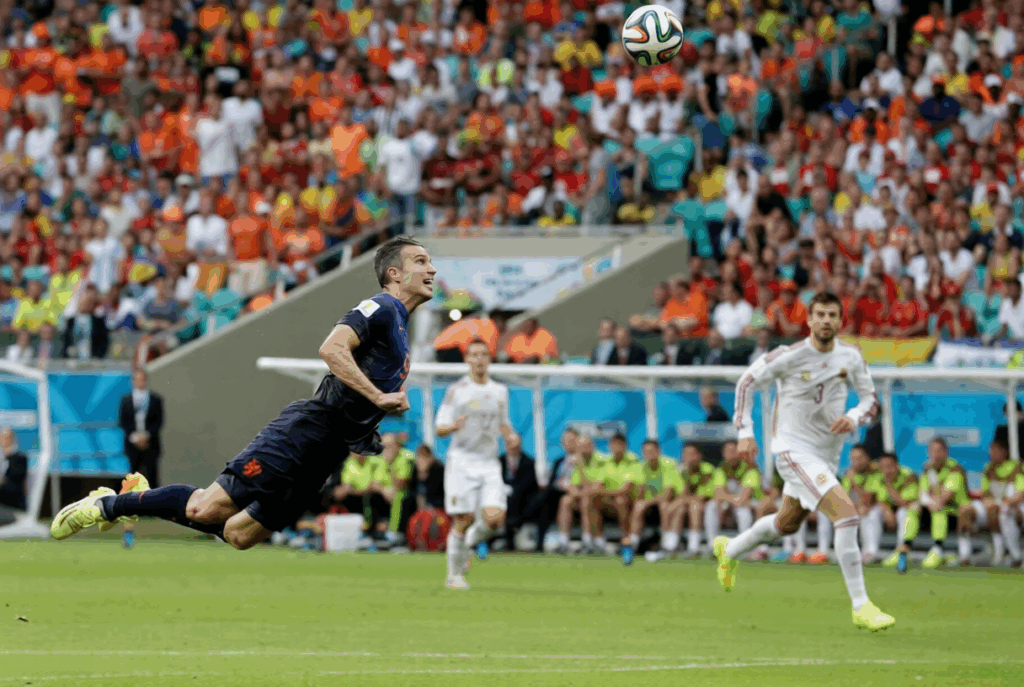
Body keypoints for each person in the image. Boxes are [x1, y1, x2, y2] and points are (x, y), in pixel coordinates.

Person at [50, 236, 433, 552]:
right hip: (306, 433)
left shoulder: (401, 330)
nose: (431, 269)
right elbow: (332, 349)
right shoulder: (381, 305)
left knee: (238, 535)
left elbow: (356, 392)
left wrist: (365, 427)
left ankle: (146, 498)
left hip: (326, 454)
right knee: (204, 508)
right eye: (420, 261)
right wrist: (377, 397)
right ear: (394, 274)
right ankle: (107, 505)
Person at [714, 292, 895, 631]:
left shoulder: (851, 356)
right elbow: (746, 382)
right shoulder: (789, 356)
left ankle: (730, 549)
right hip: (792, 450)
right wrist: (745, 431)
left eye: (832, 315)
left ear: (840, 321)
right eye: (820, 314)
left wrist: (854, 417)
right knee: (846, 514)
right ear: (809, 320)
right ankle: (861, 605)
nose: (826, 320)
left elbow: (870, 400)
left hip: (826, 455)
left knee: (787, 524)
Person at [434, 337, 517, 590]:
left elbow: (504, 422)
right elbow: (440, 428)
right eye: (474, 355)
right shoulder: (457, 390)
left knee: (494, 518)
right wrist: (453, 426)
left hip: (489, 462)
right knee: (464, 517)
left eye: (483, 354)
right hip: (462, 461)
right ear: (467, 359)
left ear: (489, 359)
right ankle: (454, 575)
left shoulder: (499, 391)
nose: (479, 359)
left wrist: (511, 436)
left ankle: (468, 543)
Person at [621, 439, 682, 565]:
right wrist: (642, 496)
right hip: (648, 507)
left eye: (652, 451)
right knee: (638, 505)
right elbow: (640, 495)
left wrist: (647, 502)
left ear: (659, 451)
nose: (649, 454)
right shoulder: (639, 467)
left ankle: (666, 545)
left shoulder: (668, 465)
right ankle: (633, 543)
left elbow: (667, 495)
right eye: (646, 452)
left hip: (665, 504)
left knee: (664, 505)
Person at [498, 434, 538, 553]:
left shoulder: (528, 462)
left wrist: (512, 490)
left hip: (522, 500)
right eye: (510, 444)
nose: (513, 447)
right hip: (500, 496)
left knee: (515, 498)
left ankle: (512, 532)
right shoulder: (499, 461)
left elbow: (528, 484)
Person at [0, 428, 28, 512]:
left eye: (7, 438)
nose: (5, 441)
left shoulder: (20, 458)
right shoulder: (1, 458)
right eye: (2, 438)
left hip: (12, 501)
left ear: (12, 439)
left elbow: (15, 483)